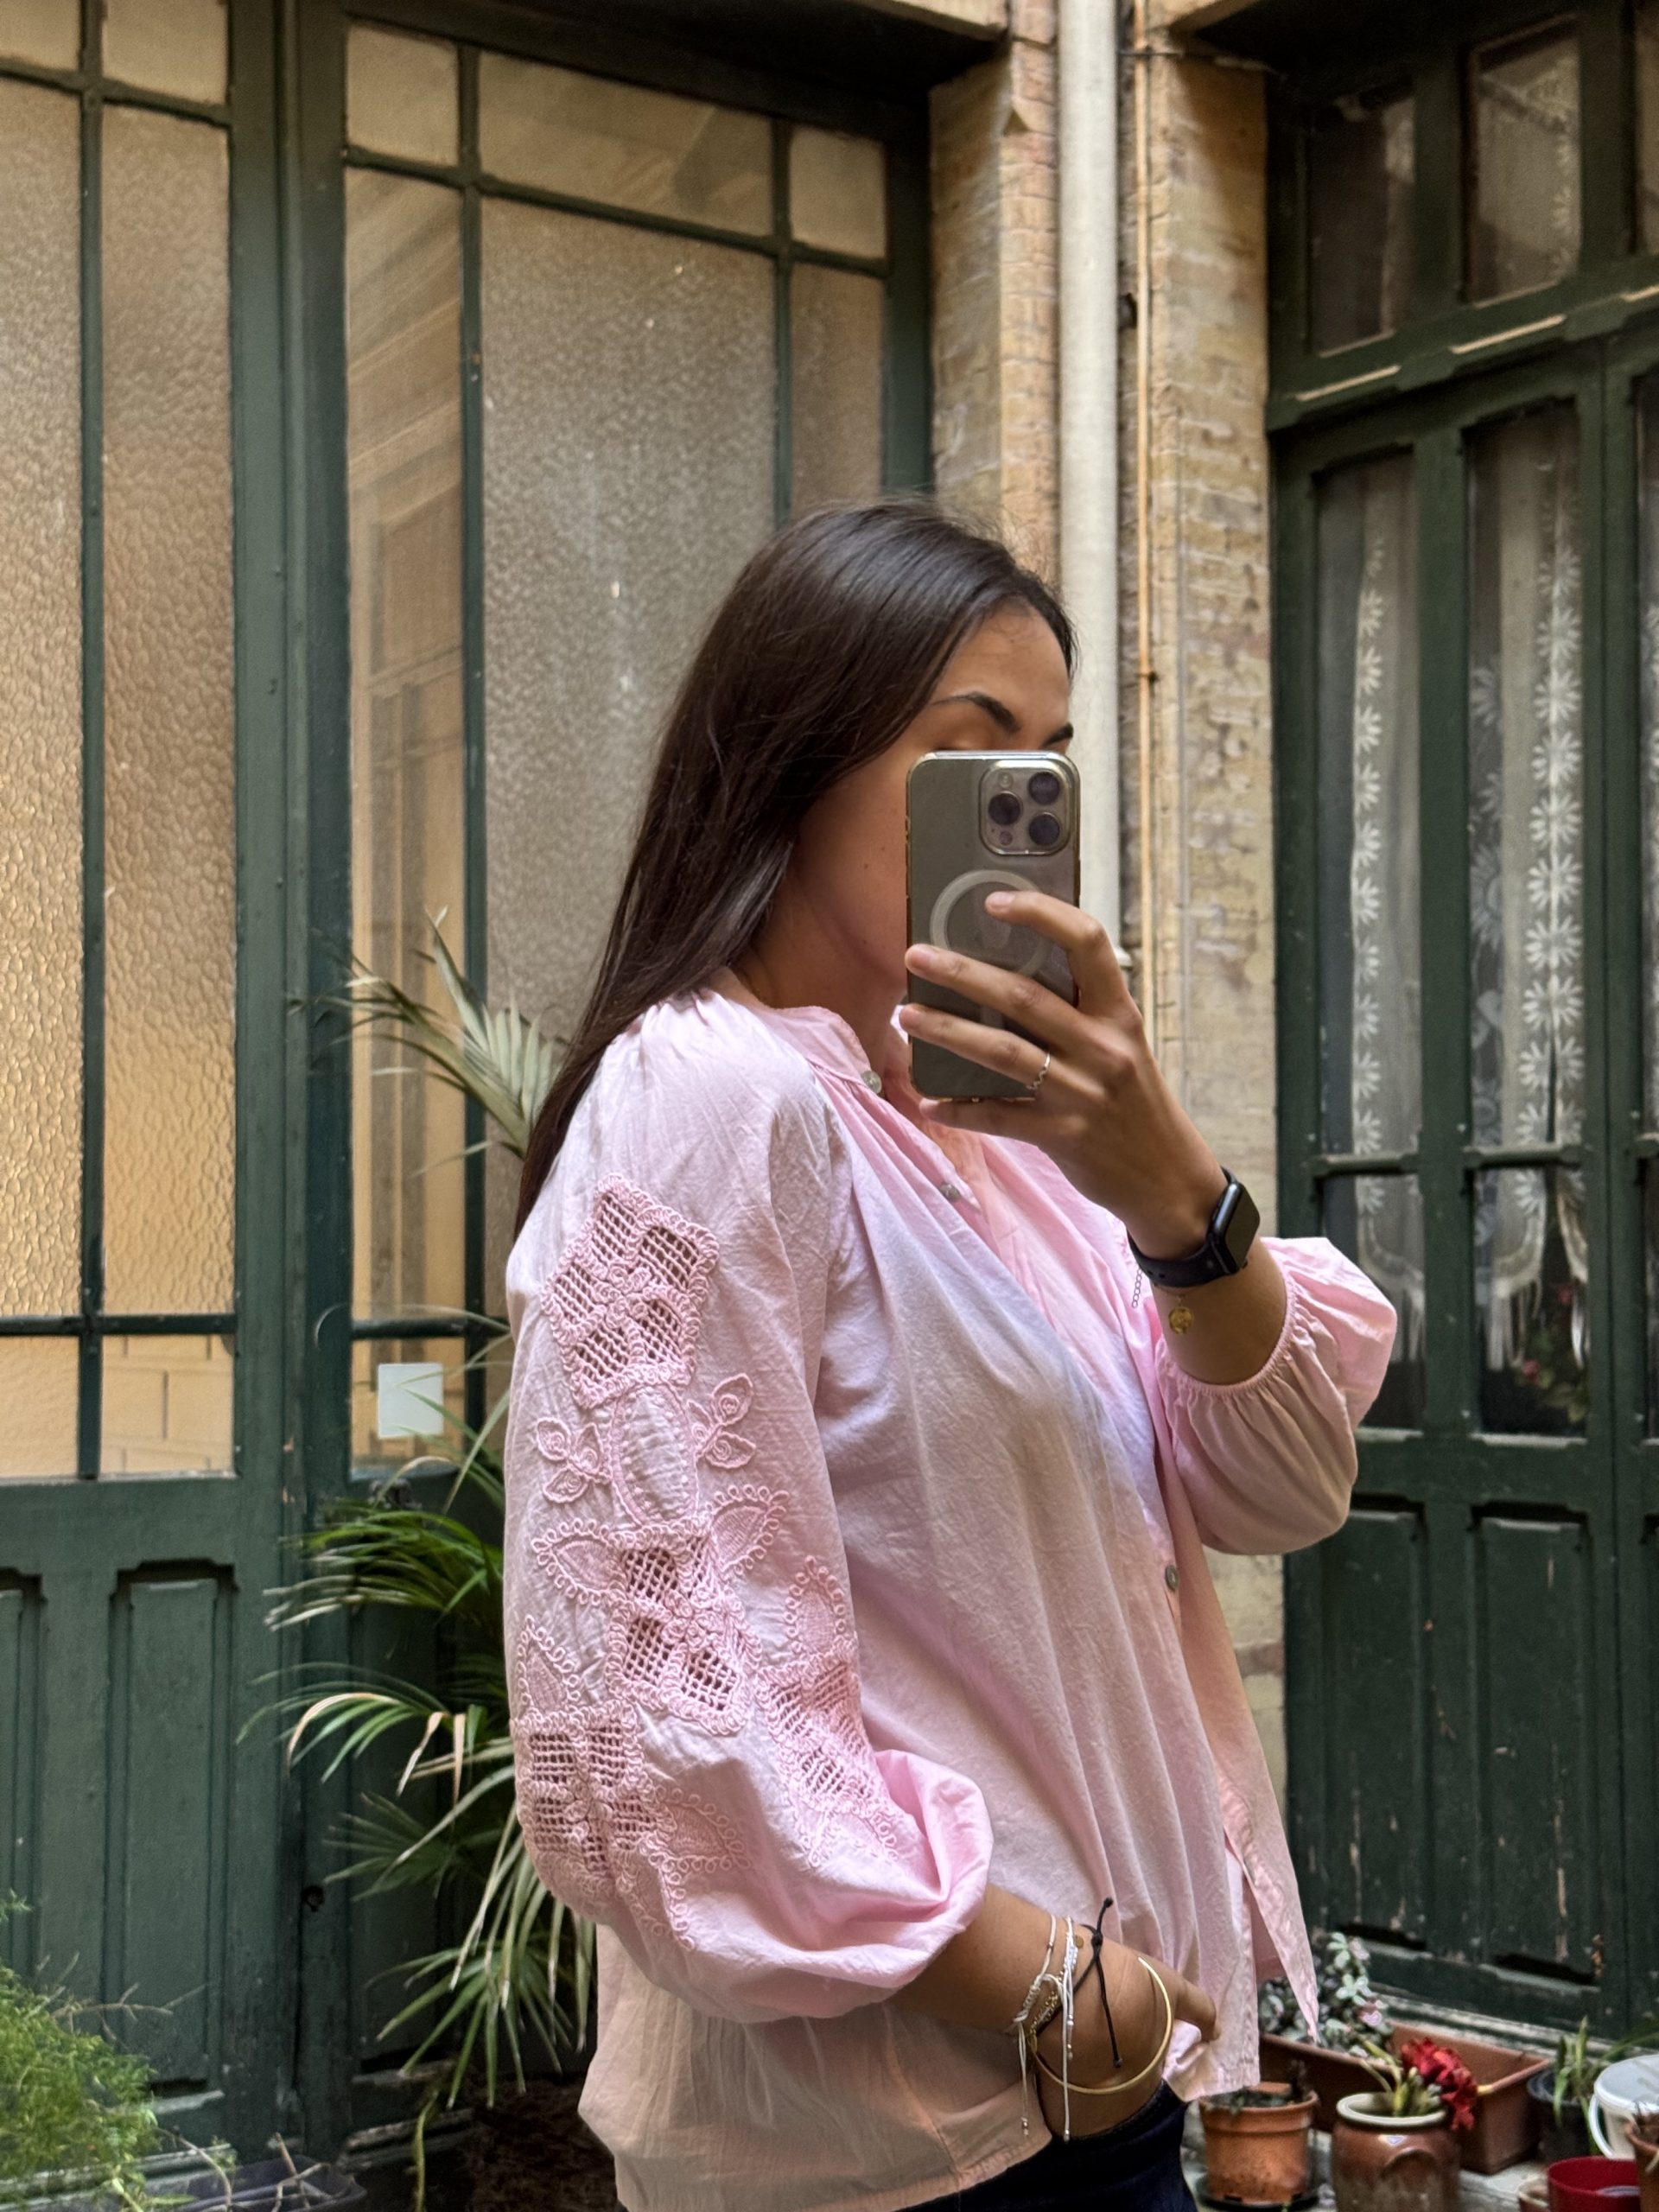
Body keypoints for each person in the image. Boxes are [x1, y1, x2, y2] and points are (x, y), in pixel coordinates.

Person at [502, 499, 1397, 2212]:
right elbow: (654, 1708)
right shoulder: (714, 1096)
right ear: (794, 755)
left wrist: (1174, 1192)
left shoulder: (998, 1136)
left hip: (1074, 2095)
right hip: (912, 2134)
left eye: (1045, 763)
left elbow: (1281, 1489)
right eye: (966, 751)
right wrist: (1054, 1985)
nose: (1014, 809)